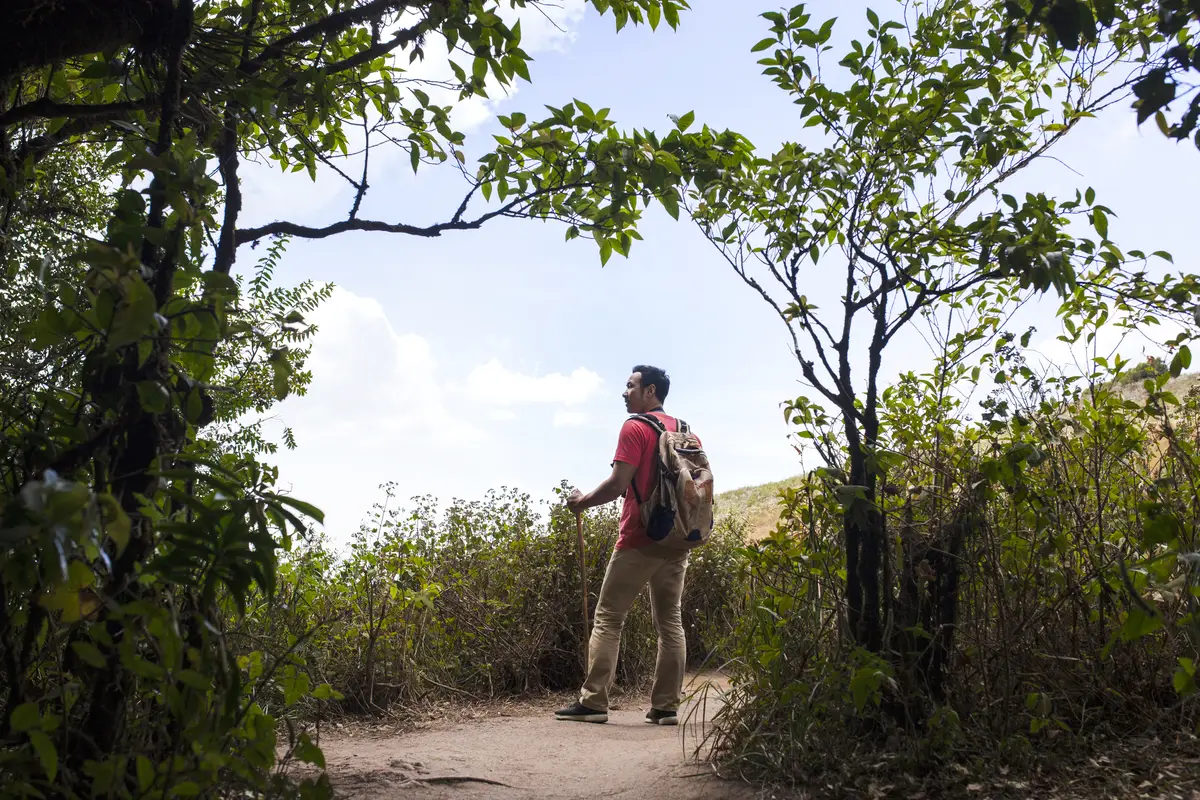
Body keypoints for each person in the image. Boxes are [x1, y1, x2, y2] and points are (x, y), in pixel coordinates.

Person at [555, 365, 697, 726]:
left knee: (609, 617)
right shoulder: (684, 430)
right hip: (678, 538)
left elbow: (619, 483)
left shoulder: (634, 427)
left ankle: (593, 703)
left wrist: (582, 502)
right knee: (670, 621)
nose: (625, 391)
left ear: (650, 391)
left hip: (640, 536)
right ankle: (666, 707)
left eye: (631, 385)